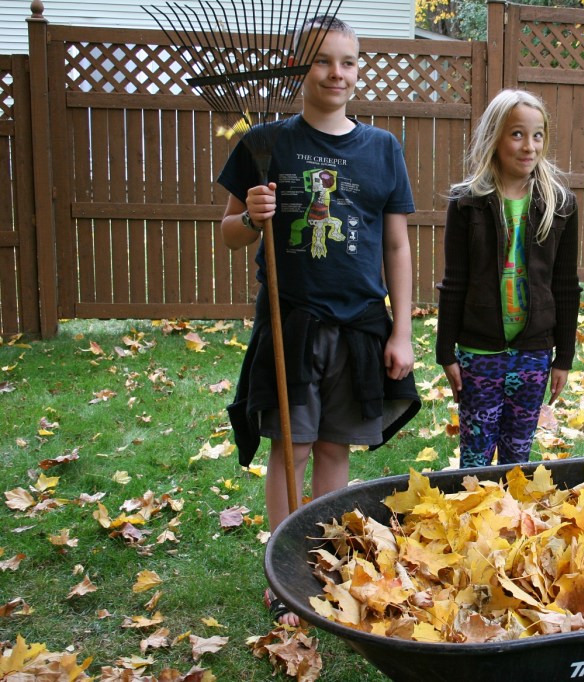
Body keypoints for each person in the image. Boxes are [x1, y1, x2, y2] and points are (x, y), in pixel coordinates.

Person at [219, 16, 420, 626]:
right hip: (292, 321)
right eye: (323, 61)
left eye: (348, 61)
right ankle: (285, 570)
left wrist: (401, 330)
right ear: (298, 68)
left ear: (358, 69)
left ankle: (320, 559)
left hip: (360, 322)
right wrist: (251, 216)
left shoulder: (382, 148)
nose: (337, 73)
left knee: (335, 444)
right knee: (293, 445)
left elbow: (397, 246)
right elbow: (227, 232)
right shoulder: (265, 143)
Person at [436, 89, 581, 468]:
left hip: (534, 352)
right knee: (476, 455)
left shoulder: (559, 204)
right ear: (494, 138)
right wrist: (445, 351)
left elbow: (566, 286)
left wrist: (564, 357)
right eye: (517, 134)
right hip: (479, 352)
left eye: (537, 135)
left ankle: (512, 507)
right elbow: (454, 281)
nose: (529, 146)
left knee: (518, 455)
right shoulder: (467, 202)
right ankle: (474, 505)